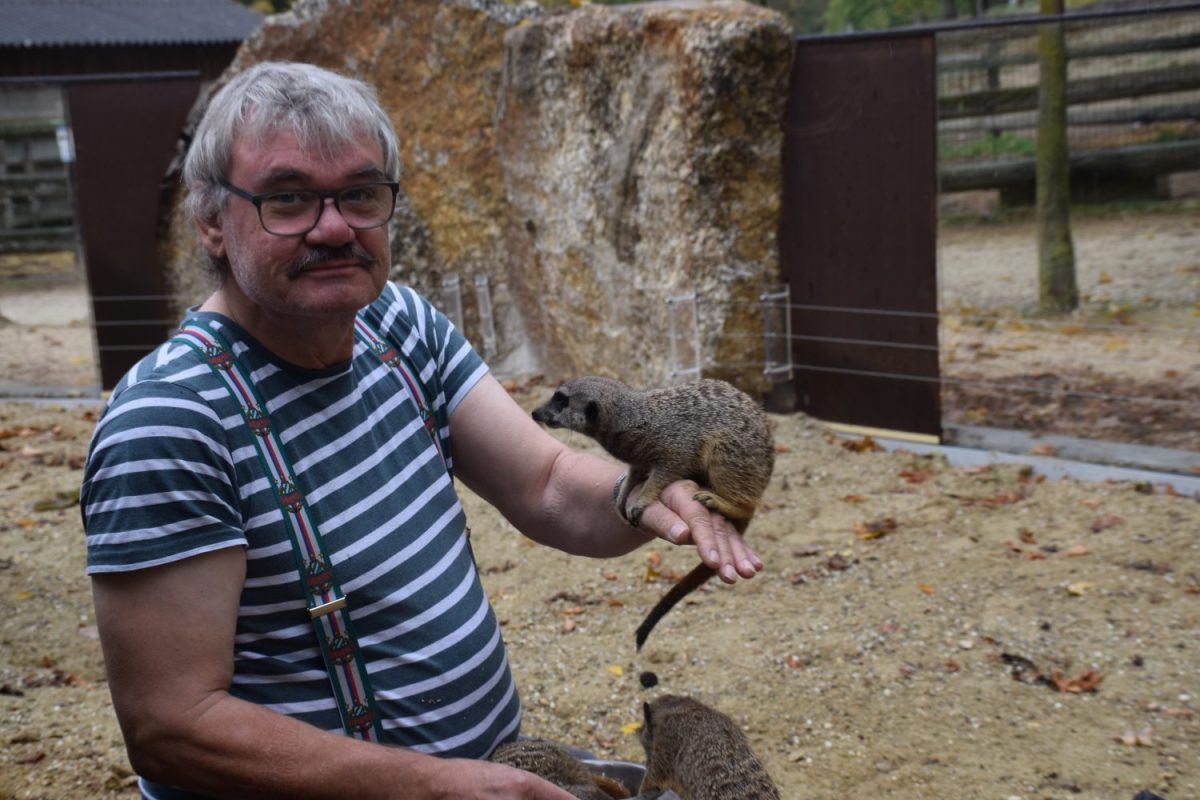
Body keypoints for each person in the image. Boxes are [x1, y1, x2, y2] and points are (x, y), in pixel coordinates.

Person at [80, 61, 764, 800]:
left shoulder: (398, 324)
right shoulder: (171, 422)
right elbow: (171, 725)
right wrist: (432, 785)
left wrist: (654, 500)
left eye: (361, 194)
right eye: (288, 200)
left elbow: (545, 482)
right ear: (212, 220)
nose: (334, 226)